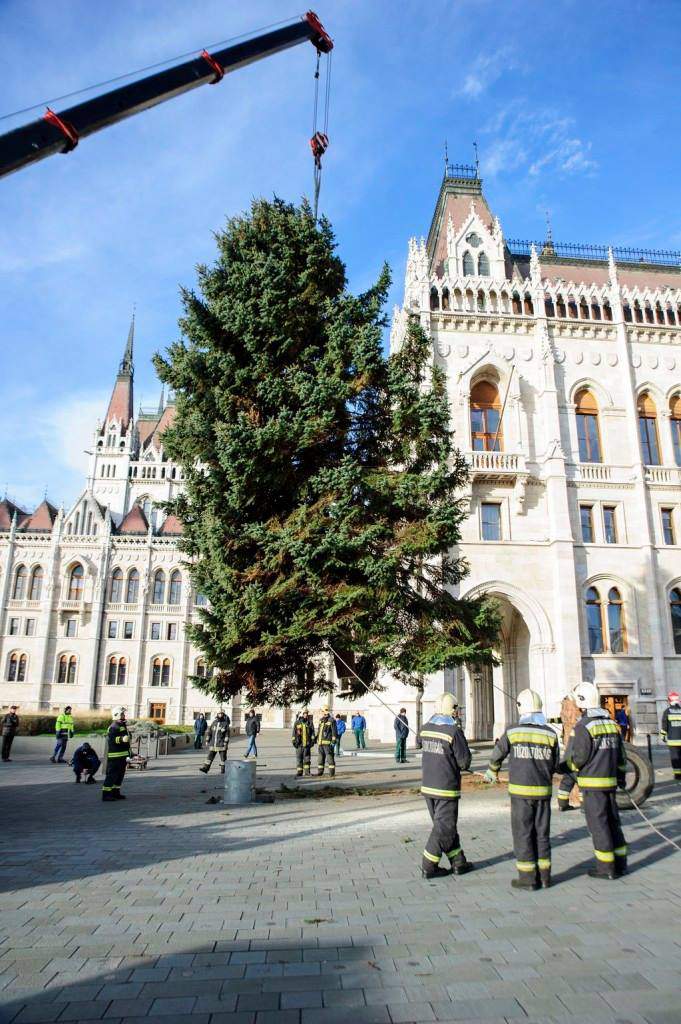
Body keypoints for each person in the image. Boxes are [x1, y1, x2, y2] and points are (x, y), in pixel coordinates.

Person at [484, 689, 559, 890]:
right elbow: (555, 763)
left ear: (521, 707)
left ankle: (527, 878)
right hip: (543, 793)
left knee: (523, 833)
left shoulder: (513, 731)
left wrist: (493, 771)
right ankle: (545, 876)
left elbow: (497, 753)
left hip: (520, 794)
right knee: (542, 834)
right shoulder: (551, 733)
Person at [565, 681, 628, 879]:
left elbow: (580, 757)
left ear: (582, 702)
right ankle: (620, 863)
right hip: (610, 783)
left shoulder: (584, 726)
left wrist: (565, 767)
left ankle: (605, 868)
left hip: (592, 785)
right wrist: (621, 779)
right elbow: (621, 757)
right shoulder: (610, 724)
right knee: (613, 823)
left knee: (598, 825)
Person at [419, 693, 473, 879]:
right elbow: (464, 762)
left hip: (428, 787)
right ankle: (429, 865)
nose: (458, 712)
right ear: (452, 710)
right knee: (443, 827)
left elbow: (419, 742)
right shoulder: (454, 732)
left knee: (445, 826)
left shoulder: (425, 728)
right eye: (456, 709)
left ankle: (458, 862)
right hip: (446, 787)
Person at [102, 706, 131, 802]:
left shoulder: (122, 725)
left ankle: (116, 792)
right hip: (115, 756)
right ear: (117, 715)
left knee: (120, 776)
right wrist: (122, 739)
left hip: (122, 756)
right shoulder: (113, 726)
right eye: (122, 714)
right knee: (112, 776)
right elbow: (111, 740)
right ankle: (106, 795)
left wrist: (130, 753)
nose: (124, 715)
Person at [660, 690, 681, 783]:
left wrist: (663, 736)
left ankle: (678, 775)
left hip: (673, 740)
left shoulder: (667, 711)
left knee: (675, 757)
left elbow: (664, 726)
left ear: (669, 701)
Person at [292, 710, 316, 777]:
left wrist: (313, 741)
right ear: (302, 714)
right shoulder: (297, 722)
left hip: (307, 745)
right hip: (299, 744)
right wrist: (294, 742)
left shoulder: (310, 722)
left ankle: (307, 772)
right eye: (304, 714)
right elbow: (294, 733)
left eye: (307, 714)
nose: (306, 715)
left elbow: (313, 732)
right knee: (299, 759)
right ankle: (299, 772)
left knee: (307, 759)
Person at [317, 708, 338, 777]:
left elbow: (334, 731)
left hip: (327, 744)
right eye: (322, 711)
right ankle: (320, 772)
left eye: (323, 711)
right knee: (320, 759)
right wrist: (316, 738)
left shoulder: (332, 720)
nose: (323, 713)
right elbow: (319, 730)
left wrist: (333, 741)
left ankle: (331, 773)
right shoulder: (321, 720)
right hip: (320, 743)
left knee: (330, 758)